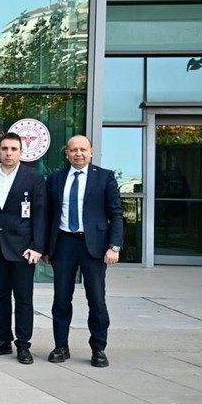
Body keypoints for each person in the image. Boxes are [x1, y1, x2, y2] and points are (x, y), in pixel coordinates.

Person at [45, 135, 123, 368]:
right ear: (66, 153)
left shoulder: (105, 177)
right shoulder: (56, 179)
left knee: (96, 300)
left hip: (95, 247)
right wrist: (48, 247)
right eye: (73, 150)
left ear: (91, 151)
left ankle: (98, 348)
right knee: (61, 299)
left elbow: (116, 214)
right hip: (64, 244)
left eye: (83, 149)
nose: (78, 153)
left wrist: (114, 246)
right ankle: (61, 346)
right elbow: (49, 215)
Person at [0, 132, 47, 364]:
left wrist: (37, 247)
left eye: (13, 149)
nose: (9, 153)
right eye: (5, 149)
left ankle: (23, 344)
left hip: (23, 249)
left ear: (21, 152)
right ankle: (3, 340)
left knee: (23, 298)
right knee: (0, 297)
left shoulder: (33, 178)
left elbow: (40, 215)